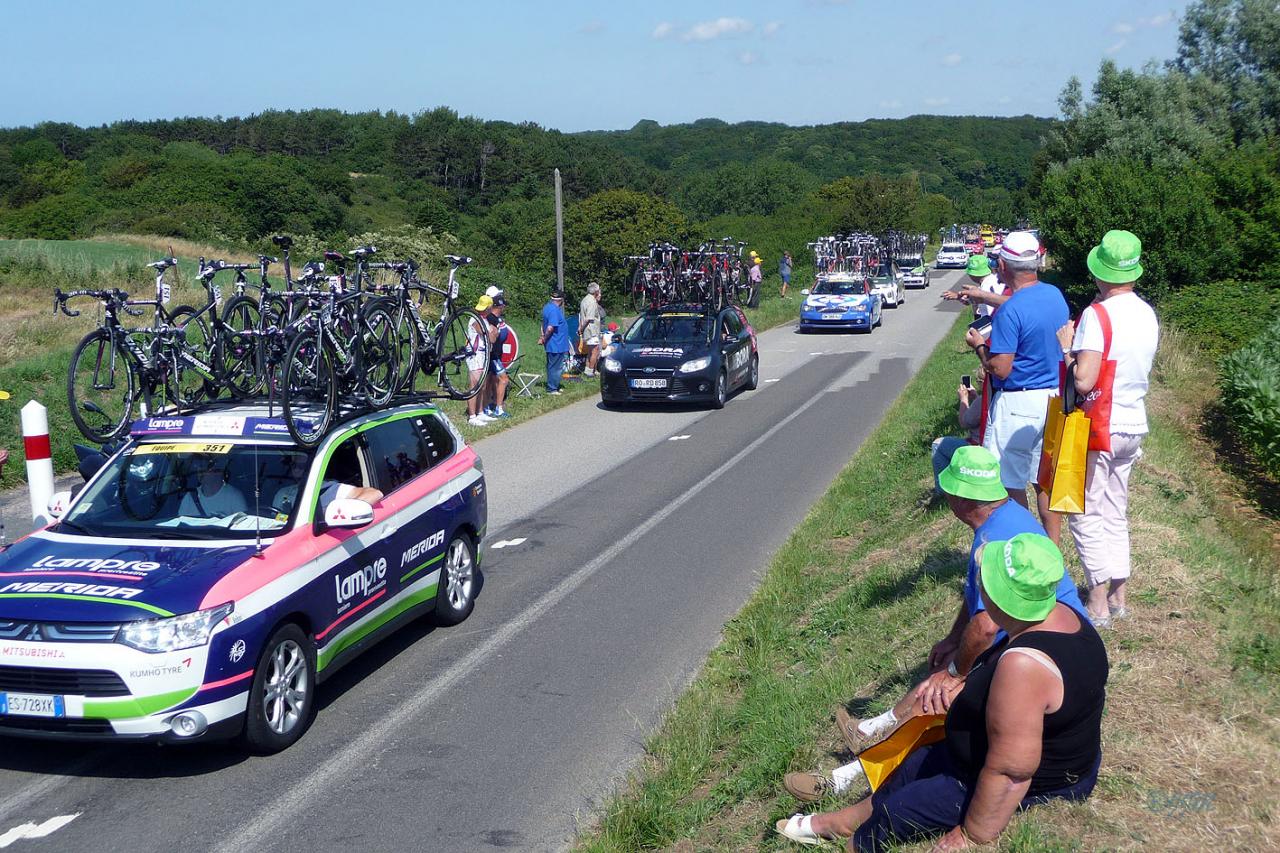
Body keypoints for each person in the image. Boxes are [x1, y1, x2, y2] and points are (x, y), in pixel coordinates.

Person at [782, 448, 1089, 805]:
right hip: (1029, 630)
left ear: (962, 497)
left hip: (1046, 646)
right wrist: (953, 638)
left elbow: (987, 624)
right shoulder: (999, 521)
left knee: (939, 697)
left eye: (949, 490)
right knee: (942, 676)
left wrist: (957, 672)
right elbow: (979, 593)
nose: (945, 496)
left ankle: (845, 778)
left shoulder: (998, 537)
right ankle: (871, 732)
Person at [778, 533, 1107, 852]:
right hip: (974, 756)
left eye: (987, 583)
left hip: (1027, 781)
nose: (981, 588)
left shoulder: (1025, 666)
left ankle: (856, 844)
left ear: (1003, 598)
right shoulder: (1059, 616)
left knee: (899, 812)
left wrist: (972, 834)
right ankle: (843, 821)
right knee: (911, 766)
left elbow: (1011, 772)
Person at [1056, 230, 1159, 627]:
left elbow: (1084, 381)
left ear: (1101, 272)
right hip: (1134, 424)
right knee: (1116, 509)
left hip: (1100, 427)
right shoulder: (1147, 313)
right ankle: (1119, 597)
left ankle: (1097, 604)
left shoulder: (1097, 316)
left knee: (1085, 511)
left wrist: (1068, 347)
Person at [965, 231, 1068, 543]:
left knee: (1009, 484)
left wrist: (980, 346)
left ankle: (1027, 548)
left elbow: (1001, 369)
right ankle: (1052, 549)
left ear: (1003, 267)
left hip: (1018, 404)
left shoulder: (1011, 311)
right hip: (1053, 398)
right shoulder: (1054, 295)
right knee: (1044, 482)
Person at [930, 366, 985, 493]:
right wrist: (976, 397)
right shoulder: (996, 397)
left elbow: (964, 422)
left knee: (938, 444)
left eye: (979, 381)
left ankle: (942, 491)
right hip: (992, 447)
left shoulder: (981, 402)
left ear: (983, 383)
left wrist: (963, 399)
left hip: (977, 447)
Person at [178, 455, 248, 518]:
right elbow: (180, 524)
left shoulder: (234, 496)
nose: (200, 472)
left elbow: (242, 525)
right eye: (199, 468)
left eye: (205, 468)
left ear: (218, 473)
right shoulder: (189, 497)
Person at [467, 295, 495, 427]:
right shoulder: (475, 318)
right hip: (475, 353)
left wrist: (493, 333)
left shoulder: (485, 320)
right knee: (475, 385)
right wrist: (493, 332)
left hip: (483, 354)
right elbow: (490, 336)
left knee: (482, 385)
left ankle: (480, 412)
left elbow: (493, 337)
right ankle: (472, 416)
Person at [484, 297, 512, 419]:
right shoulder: (490, 318)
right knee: (504, 379)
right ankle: (498, 409)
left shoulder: (496, 318)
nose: (504, 308)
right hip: (492, 354)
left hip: (496, 354)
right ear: (500, 306)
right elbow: (492, 335)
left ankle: (487, 406)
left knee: (490, 381)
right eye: (503, 306)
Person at [539, 289, 570, 396]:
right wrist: (544, 338)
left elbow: (542, 323)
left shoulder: (547, 307)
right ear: (561, 300)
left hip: (557, 343)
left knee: (554, 366)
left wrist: (542, 336)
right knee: (555, 367)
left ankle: (555, 385)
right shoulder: (554, 310)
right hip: (556, 344)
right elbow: (550, 327)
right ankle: (552, 389)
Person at [579, 283, 604, 378]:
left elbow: (582, 316)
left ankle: (587, 370)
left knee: (590, 351)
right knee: (595, 351)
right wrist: (581, 328)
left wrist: (580, 327)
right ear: (596, 291)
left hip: (588, 330)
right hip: (591, 330)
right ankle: (590, 372)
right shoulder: (592, 301)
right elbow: (589, 318)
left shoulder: (585, 299)